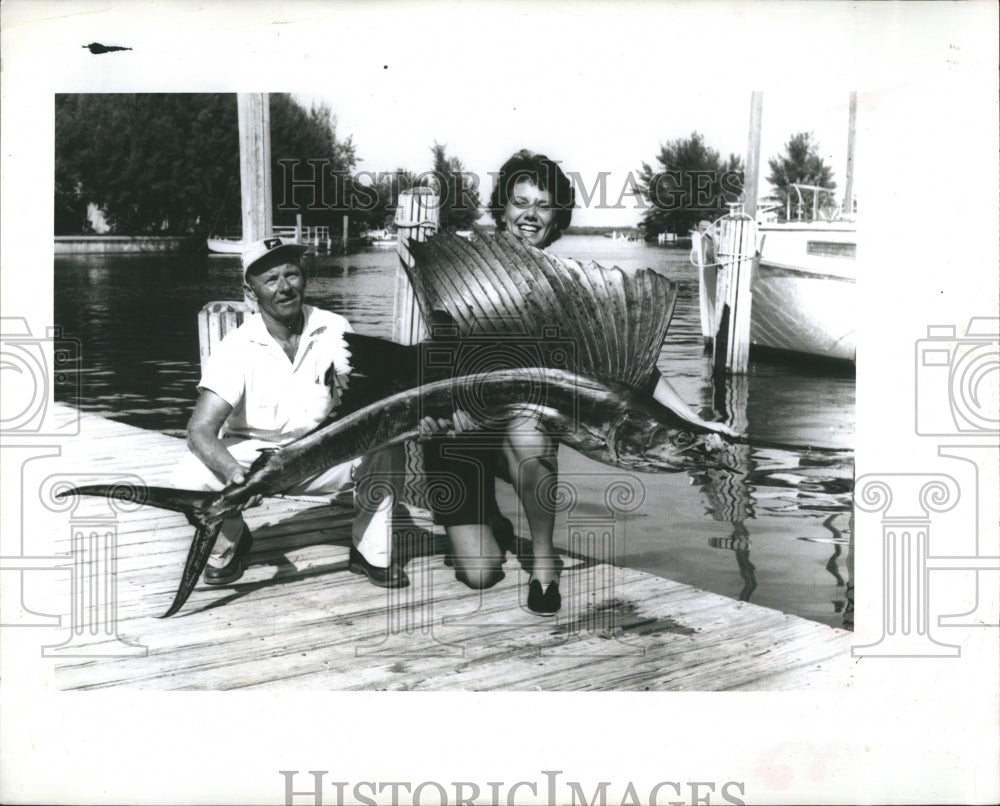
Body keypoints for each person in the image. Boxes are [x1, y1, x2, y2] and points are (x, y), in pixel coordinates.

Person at [422, 149, 737, 615]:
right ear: (502, 208)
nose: (529, 215)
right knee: (481, 573)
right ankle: (490, 518)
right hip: (459, 435)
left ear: (557, 218)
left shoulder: (568, 292)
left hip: (514, 435)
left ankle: (545, 564)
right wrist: (431, 419)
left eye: (542, 205)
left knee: (531, 428)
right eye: (520, 202)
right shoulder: (472, 274)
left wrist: (697, 422)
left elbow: (634, 373)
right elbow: (435, 361)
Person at [173, 237, 408, 589]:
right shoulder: (235, 347)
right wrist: (235, 473)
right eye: (271, 280)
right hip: (256, 458)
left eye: (292, 275)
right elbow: (200, 430)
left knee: (386, 444)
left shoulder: (334, 327)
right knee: (189, 474)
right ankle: (231, 544)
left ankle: (369, 552)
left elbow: (362, 398)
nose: (285, 288)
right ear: (251, 293)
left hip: (320, 452)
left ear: (304, 279)